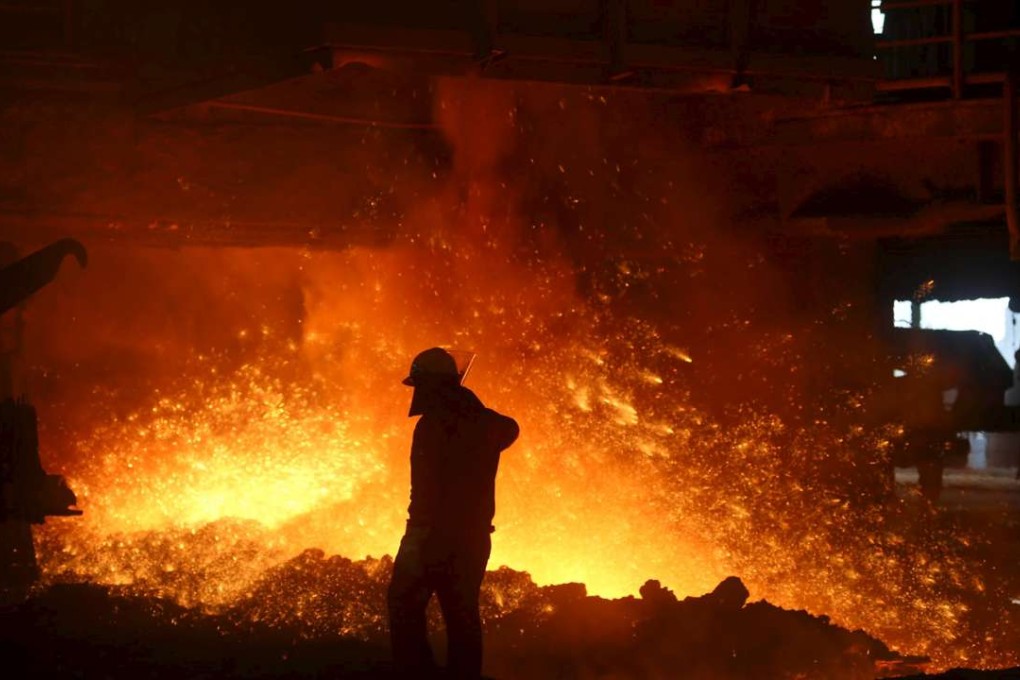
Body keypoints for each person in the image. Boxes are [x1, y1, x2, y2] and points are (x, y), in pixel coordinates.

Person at [387, 347, 519, 679]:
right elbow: (510, 428)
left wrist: (416, 537)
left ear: (432, 385)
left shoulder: (431, 427)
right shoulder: (487, 424)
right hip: (473, 539)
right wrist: (471, 407)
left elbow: (425, 490)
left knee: (404, 603)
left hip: (431, 535)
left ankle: (418, 673)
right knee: (462, 615)